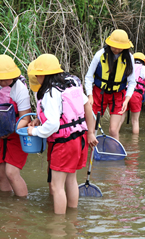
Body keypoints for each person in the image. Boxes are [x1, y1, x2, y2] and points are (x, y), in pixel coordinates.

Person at [27, 54, 98, 214]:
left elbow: (53, 124)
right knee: (71, 180)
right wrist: (91, 132)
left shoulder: (50, 93)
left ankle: (58, 226)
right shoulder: (71, 84)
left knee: (56, 185)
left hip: (64, 143)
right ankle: (72, 219)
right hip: (80, 138)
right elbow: (87, 108)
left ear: (43, 74)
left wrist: (34, 131)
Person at [0, 54, 31, 197]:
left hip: (16, 133)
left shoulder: (20, 89)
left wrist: (11, 130)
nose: (3, 82)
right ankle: (6, 208)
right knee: (2, 173)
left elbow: (25, 118)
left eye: (6, 78)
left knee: (12, 173)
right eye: (0, 79)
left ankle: (22, 207)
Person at [84, 29, 136, 140]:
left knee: (113, 130)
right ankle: (92, 154)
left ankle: (115, 154)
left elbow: (132, 82)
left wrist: (127, 100)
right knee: (91, 130)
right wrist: (90, 96)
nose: (116, 49)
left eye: (119, 47)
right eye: (114, 46)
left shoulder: (129, 58)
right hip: (98, 94)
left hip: (118, 95)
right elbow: (88, 77)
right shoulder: (100, 55)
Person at [120, 52, 145, 134]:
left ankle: (116, 137)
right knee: (135, 121)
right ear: (143, 62)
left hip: (124, 93)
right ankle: (135, 142)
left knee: (120, 119)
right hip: (136, 95)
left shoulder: (127, 67)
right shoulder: (143, 68)